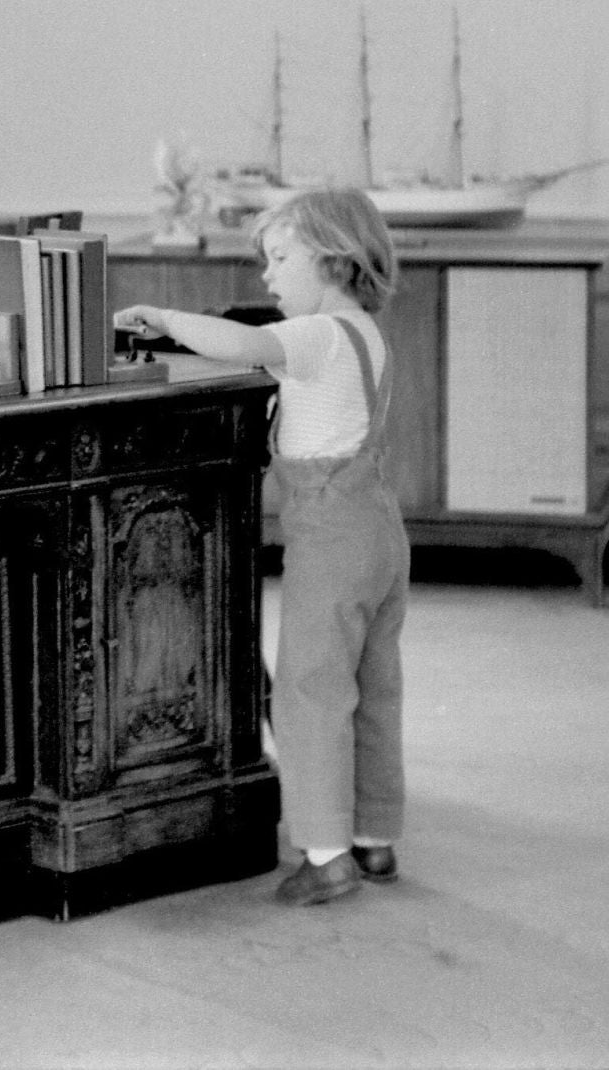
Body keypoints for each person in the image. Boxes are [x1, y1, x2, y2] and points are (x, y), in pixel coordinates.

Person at [114, 187, 406, 907]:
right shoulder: (364, 331)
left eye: (280, 259)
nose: (269, 278)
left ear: (333, 259)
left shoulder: (314, 337)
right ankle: (374, 837)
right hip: (380, 532)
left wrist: (162, 318)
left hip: (330, 538)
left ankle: (326, 856)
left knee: (310, 692)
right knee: (373, 690)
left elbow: (246, 343)